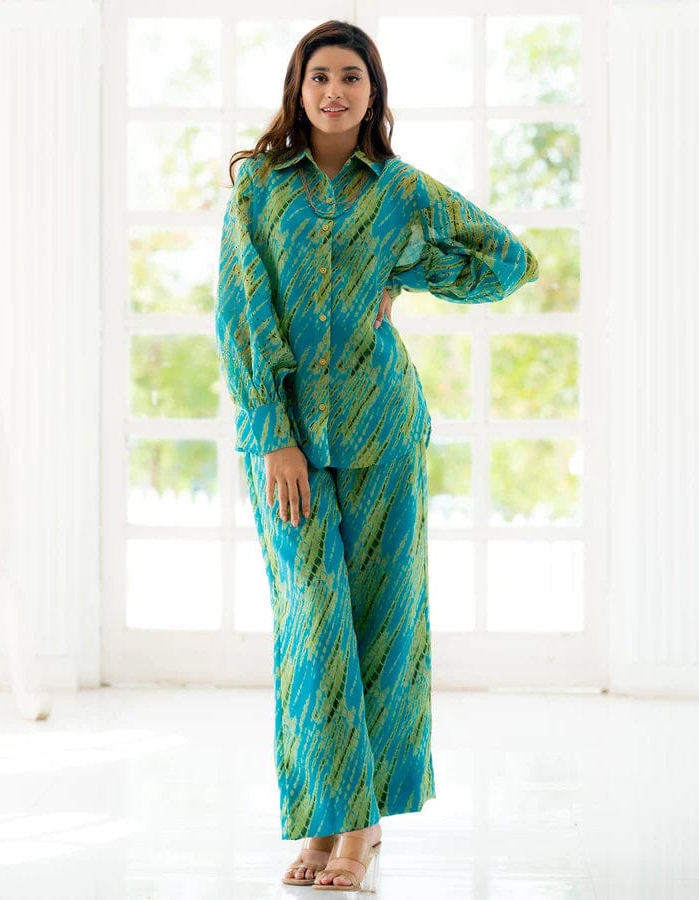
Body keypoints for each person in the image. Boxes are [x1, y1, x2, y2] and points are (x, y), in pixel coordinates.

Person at [215, 19, 539, 892]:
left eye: (350, 76)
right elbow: (241, 312)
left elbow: (508, 261)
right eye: (320, 75)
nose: (334, 90)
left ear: (373, 91)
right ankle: (331, 815)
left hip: (383, 429)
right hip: (286, 444)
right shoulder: (258, 188)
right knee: (312, 627)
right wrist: (272, 433)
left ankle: (354, 830)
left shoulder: (399, 190)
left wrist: (409, 267)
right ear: (299, 88)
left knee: (383, 627)